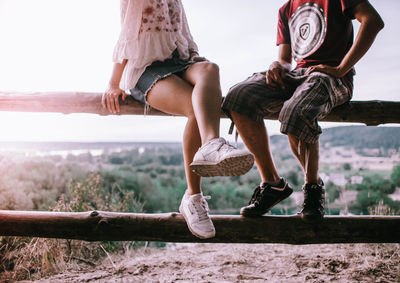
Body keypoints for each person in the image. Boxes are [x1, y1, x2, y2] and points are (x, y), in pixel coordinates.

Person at [102, 0, 254, 238]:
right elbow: (127, 36)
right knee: (196, 107)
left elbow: (183, 34)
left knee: (210, 69)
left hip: (180, 61)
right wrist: (113, 83)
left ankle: (212, 144)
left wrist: (195, 58)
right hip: (147, 66)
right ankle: (193, 198)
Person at [222, 0, 384, 221]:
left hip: (332, 77)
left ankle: (313, 188)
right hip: (300, 75)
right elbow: (286, 59)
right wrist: (277, 66)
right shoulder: (286, 9)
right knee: (238, 97)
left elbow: (373, 21)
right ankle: (272, 185)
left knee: (297, 109)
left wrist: (341, 68)